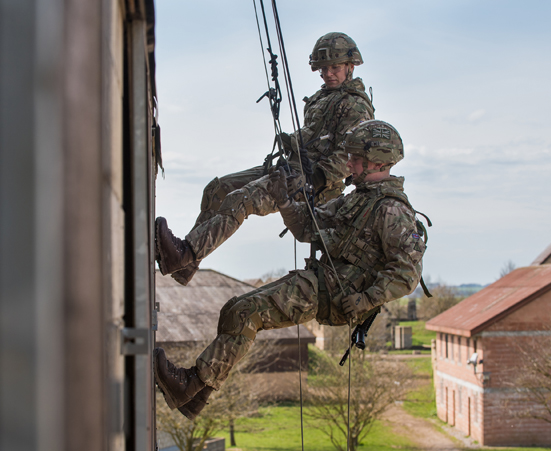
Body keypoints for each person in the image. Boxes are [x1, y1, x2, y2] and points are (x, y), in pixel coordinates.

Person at [154, 120, 427, 420]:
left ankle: (191, 384)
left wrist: (366, 299)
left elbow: (407, 274)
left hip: (337, 295)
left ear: (377, 161)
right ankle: (196, 396)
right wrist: (284, 199)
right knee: (234, 310)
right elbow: (307, 227)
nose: (348, 163)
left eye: (356, 159)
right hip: (323, 281)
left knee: (246, 313)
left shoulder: (394, 210)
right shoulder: (356, 199)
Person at [155, 32, 375, 286]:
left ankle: (184, 253)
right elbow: (317, 139)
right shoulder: (323, 98)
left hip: (315, 185)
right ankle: (186, 265)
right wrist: (292, 140)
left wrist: (316, 177)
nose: (328, 74)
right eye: (323, 69)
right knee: (218, 188)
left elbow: (350, 154)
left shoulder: (355, 105)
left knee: (241, 199)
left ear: (351, 66)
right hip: (292, 169)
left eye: (335, 68)